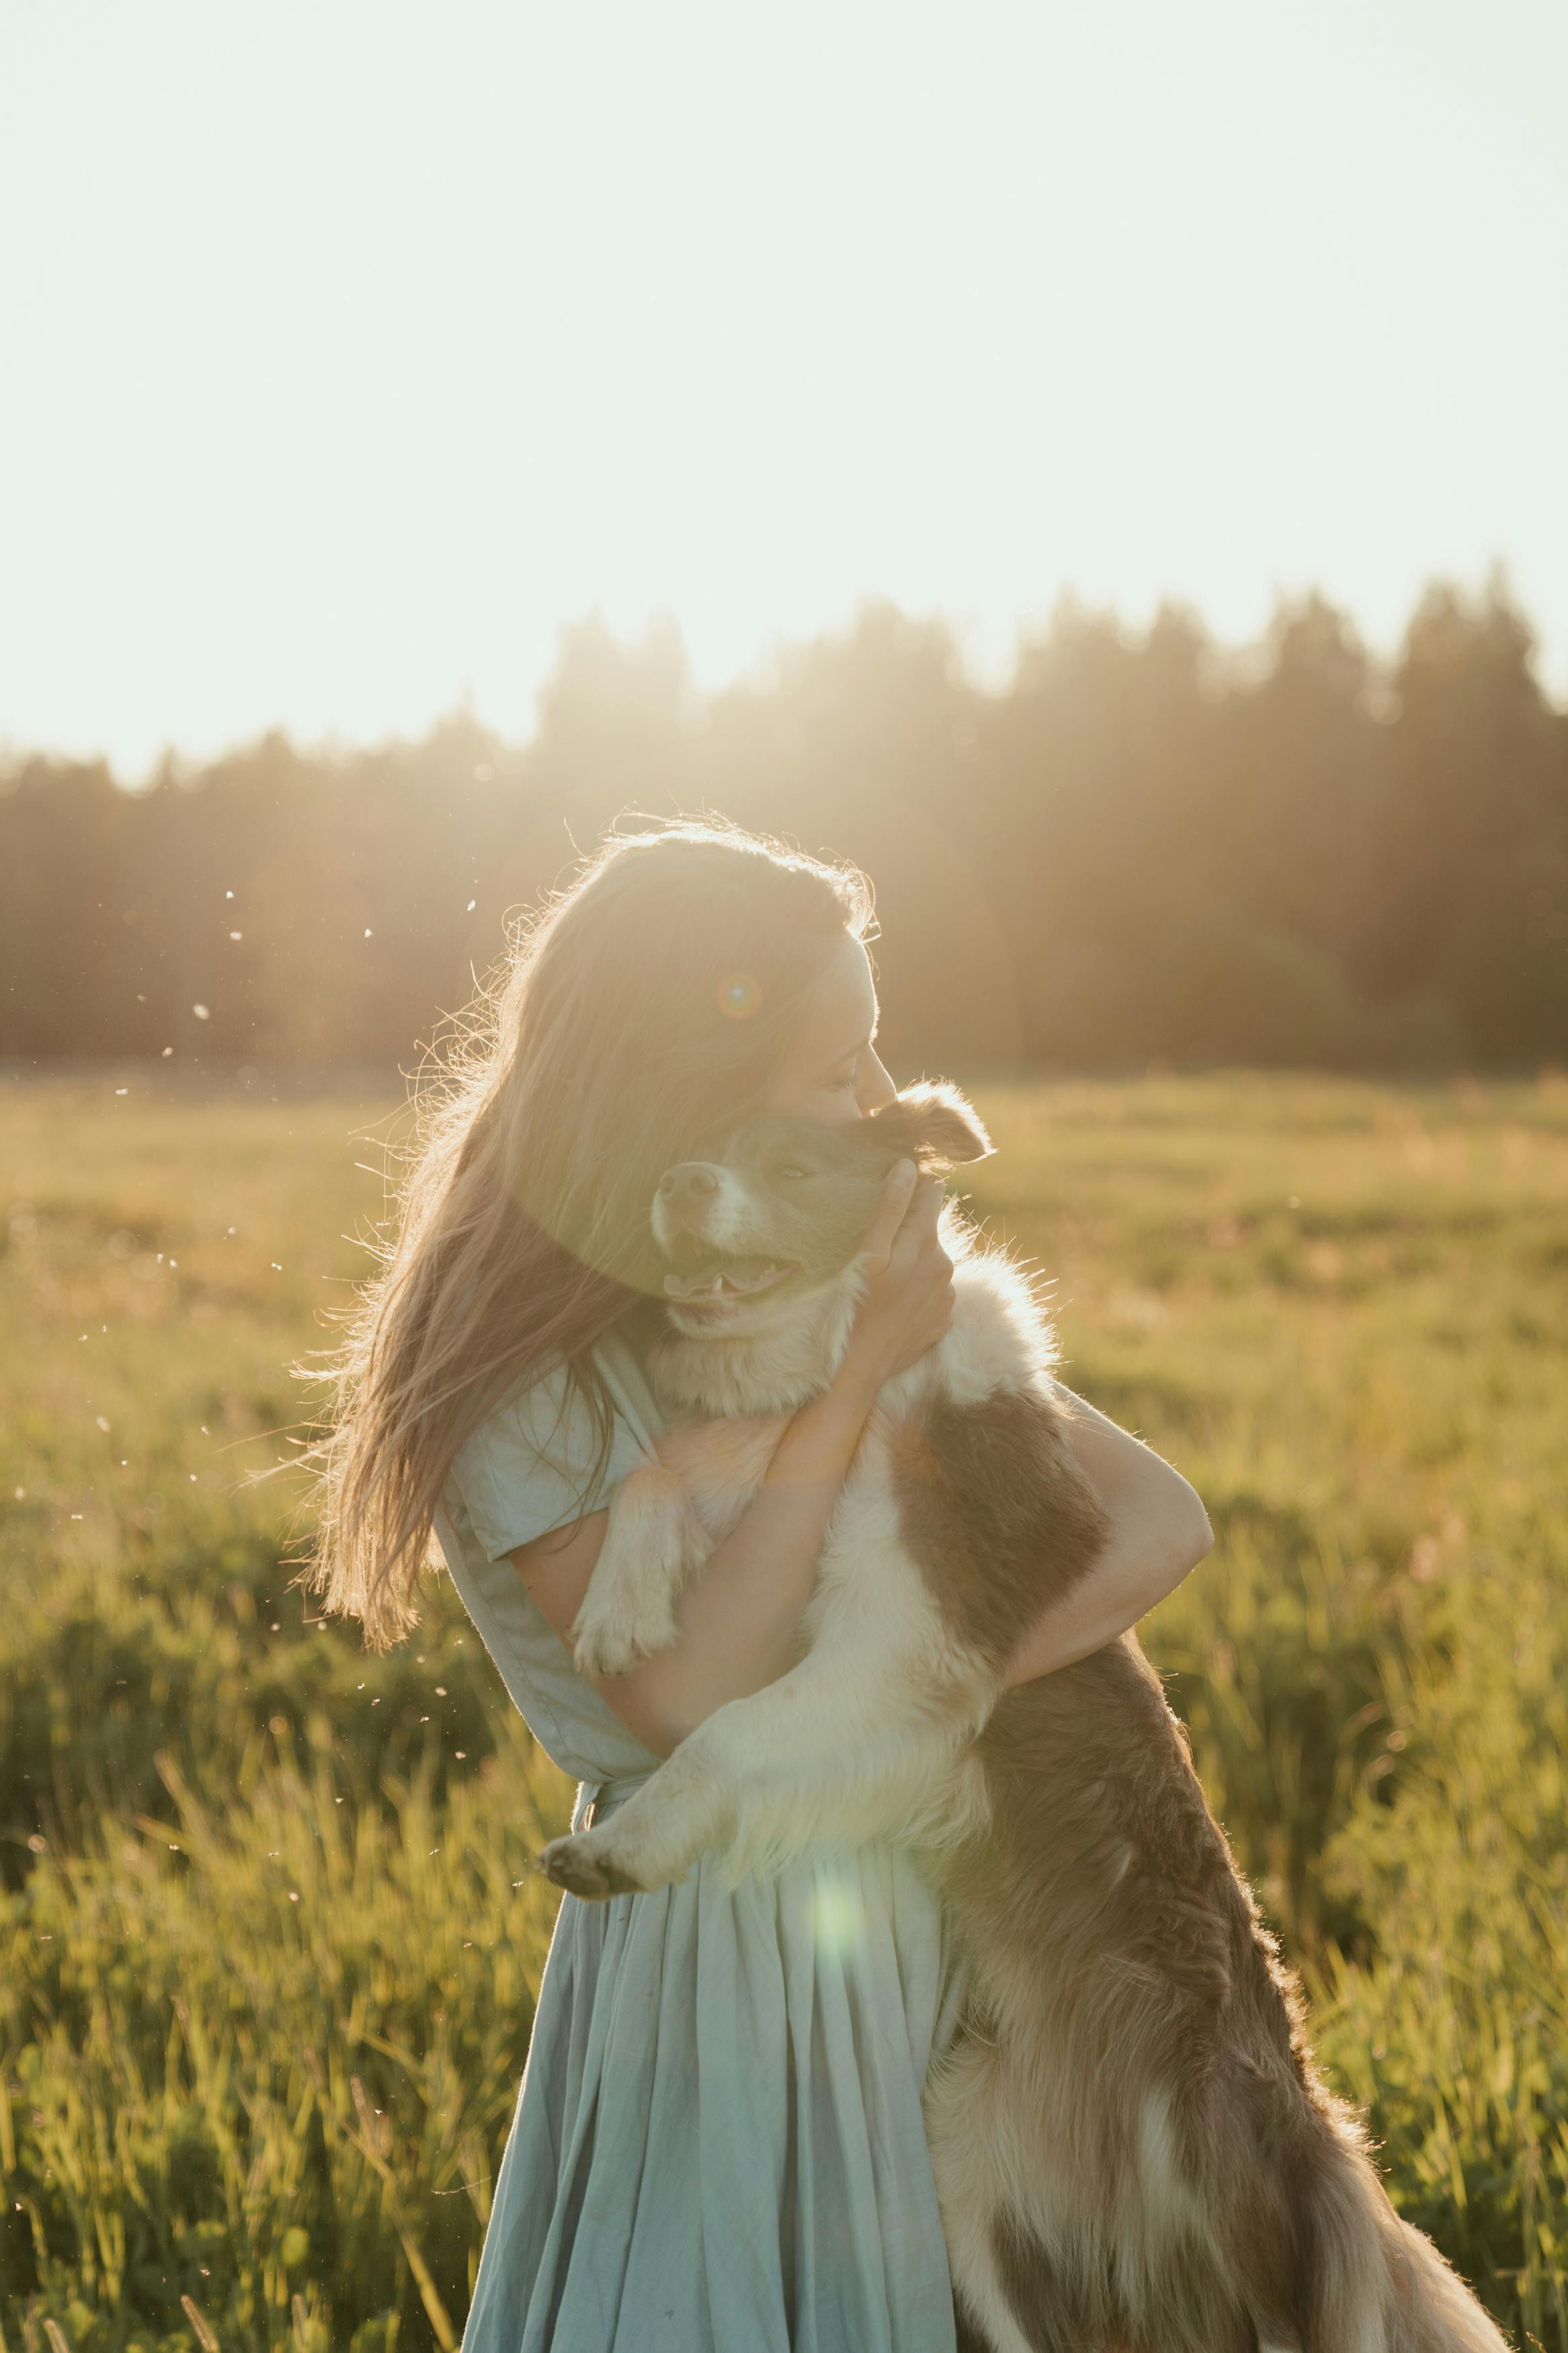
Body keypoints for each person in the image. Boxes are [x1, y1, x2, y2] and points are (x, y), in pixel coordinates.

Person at [306, 815, 1212, 2352]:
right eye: (837, 1065)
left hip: (896, 1925)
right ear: (694, 1080)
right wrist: (858, 1375)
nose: (877, 1104)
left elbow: (1158, 1521)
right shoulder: (528, 1378)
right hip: (712, 1980)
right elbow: (685, 1699)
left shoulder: (807, 1279)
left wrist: (929, 1691)